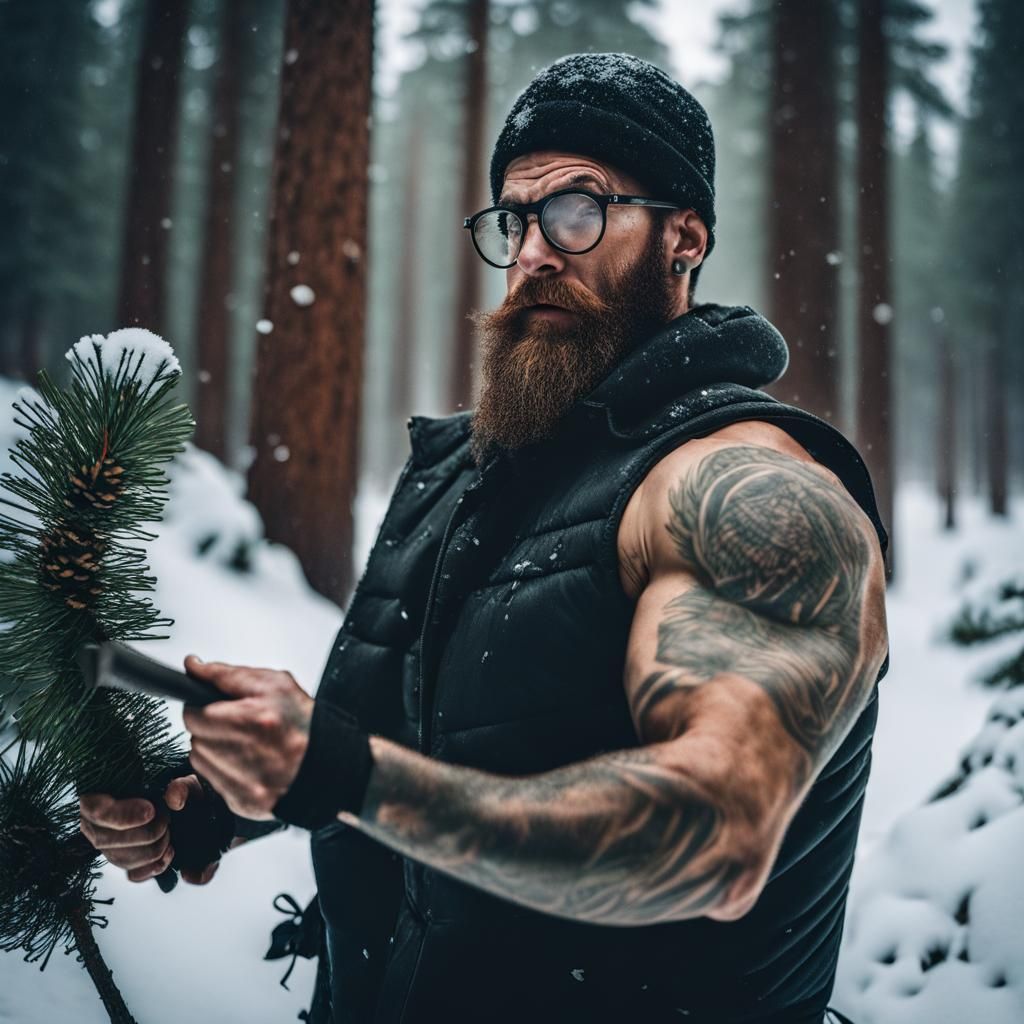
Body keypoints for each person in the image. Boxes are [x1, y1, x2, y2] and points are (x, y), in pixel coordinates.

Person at [80, 53, 888, 1024]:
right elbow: (434, 755)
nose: (535, 250)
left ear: (684, 237)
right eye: (515, 216)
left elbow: (713, 836)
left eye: (579, 209)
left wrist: (340, 770)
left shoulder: (749, 488)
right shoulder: (457, 476)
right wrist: (225, 802)